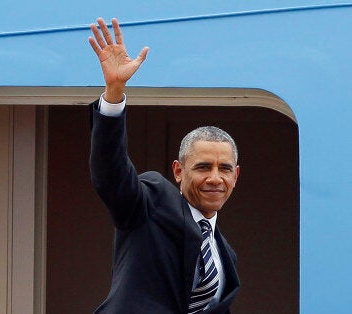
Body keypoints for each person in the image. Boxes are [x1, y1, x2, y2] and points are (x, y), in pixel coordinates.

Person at [88, 17, 240, 313]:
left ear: (236, 176)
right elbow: (111, 174)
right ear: (178, 171)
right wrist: (114, 94)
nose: (214, 178)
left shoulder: (226, 257)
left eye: (224, 169)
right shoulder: (153, 202)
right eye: (202, 167)